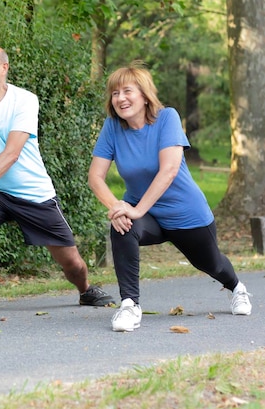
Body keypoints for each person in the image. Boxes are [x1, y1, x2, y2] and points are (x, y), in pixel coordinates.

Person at [0, 44, 114, 321]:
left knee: (72, 264)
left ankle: (85, 290)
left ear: (4, 68)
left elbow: (11, 153)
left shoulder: (25, 100)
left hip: (33, 193)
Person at [88, 61, 252, 333]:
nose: (120, 98)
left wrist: (136, 209)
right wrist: (118, 207)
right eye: (115, 93)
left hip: (186, 213)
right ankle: (130, 305)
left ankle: (237, 287)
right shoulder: (112, 127)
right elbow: (96, 177)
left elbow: (169, 169)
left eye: (127, 91)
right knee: (122, 226)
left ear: (144, 95)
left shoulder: (167, 118)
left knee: (211, 264)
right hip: (147, 214)